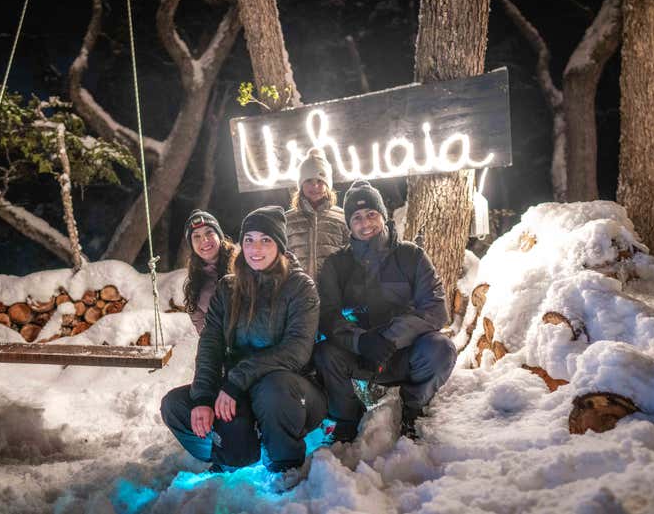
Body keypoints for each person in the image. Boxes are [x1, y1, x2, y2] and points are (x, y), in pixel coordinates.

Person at [161, 206, 327, 474]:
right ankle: (227, 452)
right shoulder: (228, 288)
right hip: (239, 390)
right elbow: (210, 346)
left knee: (273, 389)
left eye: (265, 240)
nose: (255, 248)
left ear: (280, 246)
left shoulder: (300, 287)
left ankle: (285, 465)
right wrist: (203, 397)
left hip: (290, 390)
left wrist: (236, 380)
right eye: (249, 239)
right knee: (175, 405)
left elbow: (296, 351)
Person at [314, 180, 456, 442]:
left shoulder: (411, 255)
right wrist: (361, 341)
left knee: (441, 349)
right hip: (361, 355)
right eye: (356, 217)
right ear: (348, 224)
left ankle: (412, 407)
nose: (365, 223)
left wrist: (389, 339)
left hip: (404, 353)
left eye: (371, 214)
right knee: (324, 353)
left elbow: (436, 309)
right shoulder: (336, 264)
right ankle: (347, 419)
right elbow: (328, 317)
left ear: (383, 215)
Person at [285, 148, 350, 280]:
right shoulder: (287, 220)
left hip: (333, 292)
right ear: (301, 184)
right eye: (309, 181)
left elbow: (350, 257)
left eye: (320, 181)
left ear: (328, 185)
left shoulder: (342, 218)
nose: (314, 186)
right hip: (298, 293)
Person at [182, 209, 239, 334]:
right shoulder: (194, 287)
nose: (204, 240)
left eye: (209, 232)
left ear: (219, 235)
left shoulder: (242, 265)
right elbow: (206, 334)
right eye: (196, 236)